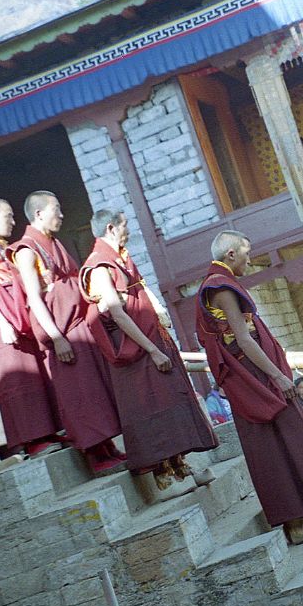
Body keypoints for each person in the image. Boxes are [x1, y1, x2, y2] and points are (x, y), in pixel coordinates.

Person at [196, 231, 303, 544]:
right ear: (231, 254)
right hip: (255, 381)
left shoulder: (221, 282)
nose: (250, 260)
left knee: (285, 442)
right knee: (277, 446)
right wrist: (277, 375)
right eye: (247, 253)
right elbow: (243, 338)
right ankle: (298, 525)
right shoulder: (219, 287)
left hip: (254, 376)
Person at [81, 209, 217, 502]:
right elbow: (117, 313)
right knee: (150, 410)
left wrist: (158, 313)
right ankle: (163, 478)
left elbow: (139, 288)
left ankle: (181, 467)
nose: (128, 230)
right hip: (133, 353)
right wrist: (152, 350)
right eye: (125, 225)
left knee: (168, 402)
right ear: (110, 228)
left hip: (150, 340)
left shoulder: (121, 258)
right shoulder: (99, 267)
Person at [11, 191, 126, 473]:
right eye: (56, 209)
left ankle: (108, 446)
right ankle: (97, 457)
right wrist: (57, 337)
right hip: (63, 331)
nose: (61, 215)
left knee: (95, 389)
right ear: (39, 214)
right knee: (80, 394)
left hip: (79, 325)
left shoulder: (53, 243)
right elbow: (34, 298)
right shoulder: (27, 250)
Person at [0, 197, 61, 457]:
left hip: (19, 316)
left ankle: (49, 432)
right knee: (16, 378)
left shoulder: (6, 247)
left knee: (35, 374)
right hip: (1, 322)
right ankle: (33, 440)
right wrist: (3, 323)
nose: (13, 221)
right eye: (8, 216)